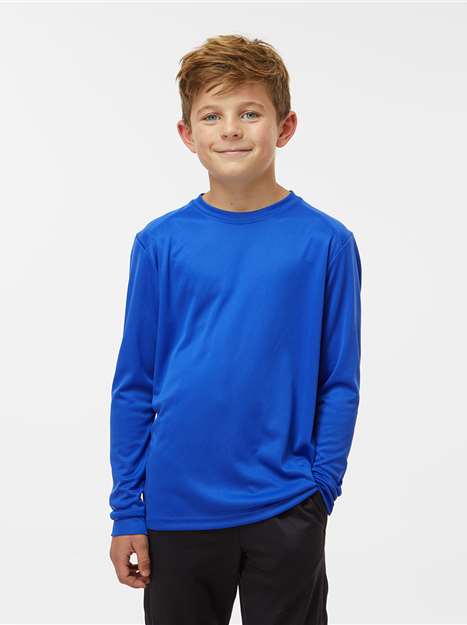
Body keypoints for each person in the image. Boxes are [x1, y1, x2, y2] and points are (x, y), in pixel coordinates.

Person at [108, 33, 362, 625]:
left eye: (250, 113)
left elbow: (339, 380)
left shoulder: (326, 243)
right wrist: (128, 511)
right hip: (177, 508)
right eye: (212, 116)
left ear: (285, 127)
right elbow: (135, 384)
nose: (230, 130)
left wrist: (321, 488)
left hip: (286, 504)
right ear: (187, 134)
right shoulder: (159, 244)